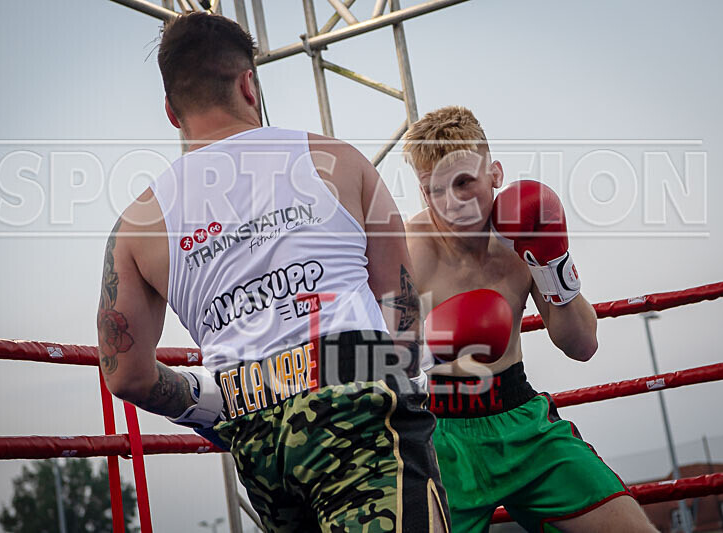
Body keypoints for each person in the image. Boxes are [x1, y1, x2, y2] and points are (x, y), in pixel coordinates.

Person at [96, 12, 450, 532]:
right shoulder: (338, 161)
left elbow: (125, 374)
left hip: (255, 437)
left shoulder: (137, 225)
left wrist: (210, 399)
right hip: (360, 409)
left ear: (171, 111)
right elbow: (407, 333)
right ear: (248, 84)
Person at [402, 106, 658, 532]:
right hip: (437, 435)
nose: (451, 204)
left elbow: (582, 346)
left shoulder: (523, 229)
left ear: (494, 174)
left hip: (522, 421)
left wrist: (552, 263)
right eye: (434, 191)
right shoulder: (407, 250)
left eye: (464, 183)